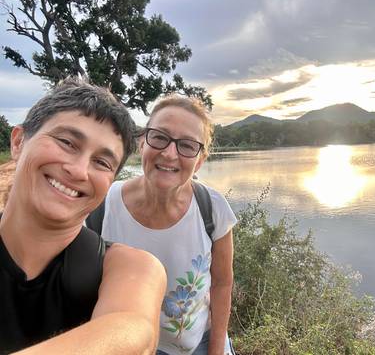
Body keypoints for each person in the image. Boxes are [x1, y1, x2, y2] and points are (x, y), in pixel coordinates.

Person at [0, 78, 167, 354]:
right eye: (67, 142)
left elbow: (133, 329)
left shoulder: (130, 267)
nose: (79, 171)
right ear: (18, 142)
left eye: (101, 162)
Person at [91, 95, 237, 355]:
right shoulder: (104, 203)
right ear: (141, 143)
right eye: (159, 137)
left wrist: (216, 349)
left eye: (187, 145)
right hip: (131, 347)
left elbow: (222, 283)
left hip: (199, 345)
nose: (170, 154)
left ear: (200, 160)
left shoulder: (212, 208)